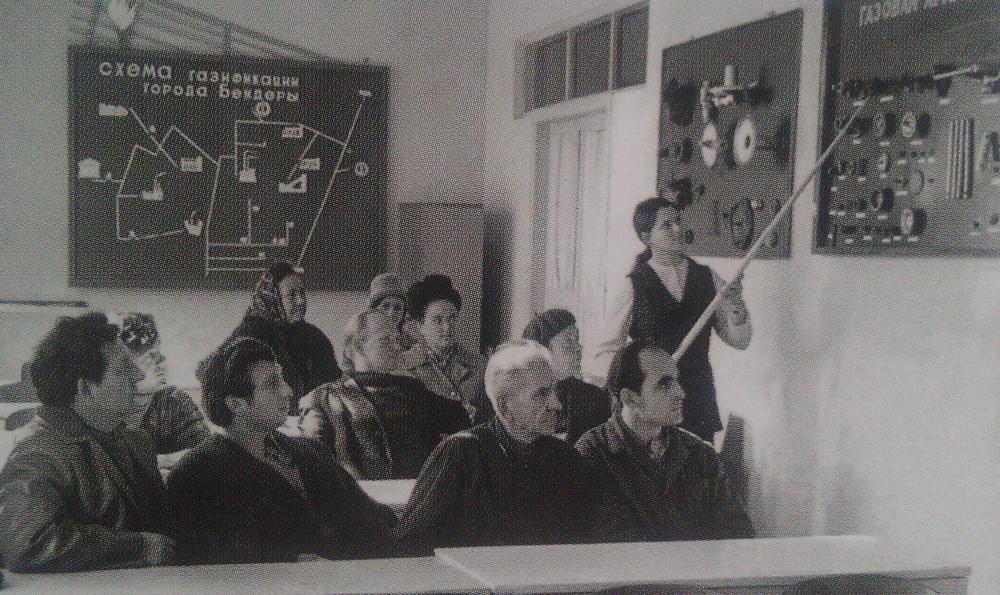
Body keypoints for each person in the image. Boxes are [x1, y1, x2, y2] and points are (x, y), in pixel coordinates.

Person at [166, 337, 396, 565]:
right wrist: (291, 560)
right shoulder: (196, 475)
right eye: (272, 384)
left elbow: (373, 517)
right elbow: (210, 558)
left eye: (282, 379)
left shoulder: (311, 452)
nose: (288, 391)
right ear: (236, 404)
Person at [0, 312, 175, 572]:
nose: (139, 375)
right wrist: (138, 546)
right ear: (85, 389)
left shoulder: (137, 441)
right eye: (123, 369)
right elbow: (27, 543)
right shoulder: (38, 453)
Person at [394, 339, 599, 554]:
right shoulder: (462, 454)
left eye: (554, 392)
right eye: (541, 394)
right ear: (505, 405)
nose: (556, 404)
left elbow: (588, 540)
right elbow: (411, 544)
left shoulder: (565, 457)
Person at [589, 188, 752, 443]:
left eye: (677, 221)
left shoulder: (706, 277)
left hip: (697, 398)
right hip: (653, 403)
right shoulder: (634, 284)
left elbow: (740, 341)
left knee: (697, 464)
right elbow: (604, 352)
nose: (677, 229)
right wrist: (635, 385)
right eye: (666, 225)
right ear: (646, 237)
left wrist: (737, 308)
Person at [576, 340, 754, 542]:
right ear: (630, 399)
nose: (681, 393)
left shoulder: (700, 455)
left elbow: (740, 534)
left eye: (676, 381)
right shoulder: (591, 455)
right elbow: (607, 544)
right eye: (664, 384)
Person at [299, 309, 469, 480]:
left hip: (420, 491)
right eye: (385, 340)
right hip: (361, 494)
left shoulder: (413, 390)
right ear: (355, 348)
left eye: (396, 340)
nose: (397, 347)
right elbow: (314, 466)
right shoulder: (325, 398)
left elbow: (462, 420)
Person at [224, 261, 341, 413]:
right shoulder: (250, 336)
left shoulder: (313, 336)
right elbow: (212, 376)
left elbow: (332, 380)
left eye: (302, 293)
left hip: (310, 416)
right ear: (272, 298)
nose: (301, 301)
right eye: (292, 295)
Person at [119, 312, 210, 470]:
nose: (161, 360)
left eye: (156, 353)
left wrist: (159, 461)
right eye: (150, 355)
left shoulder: (174, 400)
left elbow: (205, 452)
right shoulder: (99, 403)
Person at [400, 274, 492, 424]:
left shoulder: (480, 365)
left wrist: (477, 416)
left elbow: (491, 419)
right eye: (438, 320)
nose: (447, 327)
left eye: (452, 318)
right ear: (420, 325)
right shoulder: (403, 367)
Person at [522, 308, 611, 444]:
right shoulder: (520, 399)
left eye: (577, 340)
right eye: (569, 342)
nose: (579, 348)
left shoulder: (595, 398)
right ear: (543, 351)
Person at [368, 272, 418, 349]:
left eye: (397, 308)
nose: (391, 313)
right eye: (385, 306)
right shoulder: (361, 341)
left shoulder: (412, 344)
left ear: (403, 313)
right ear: (373, 310)